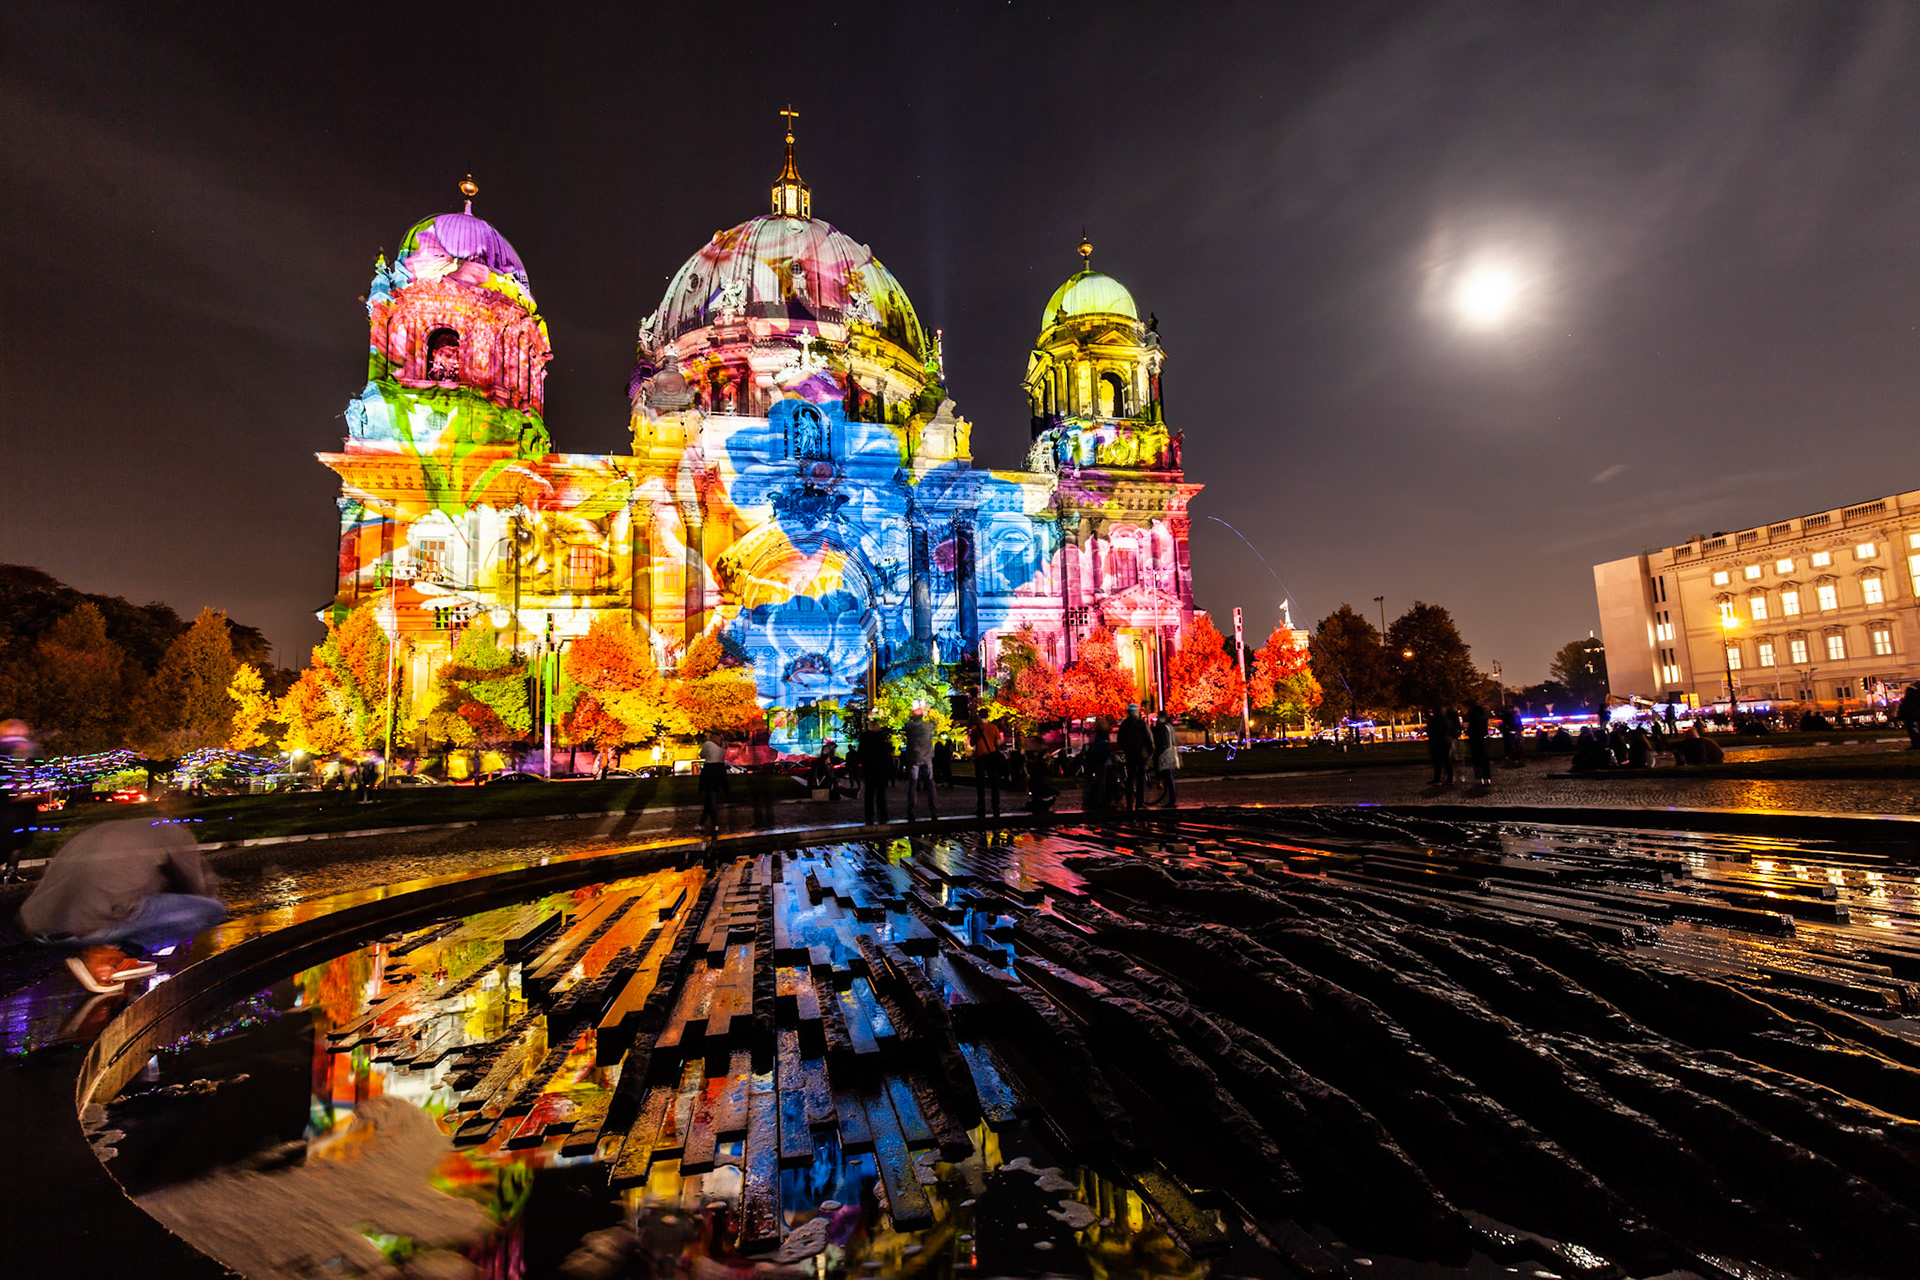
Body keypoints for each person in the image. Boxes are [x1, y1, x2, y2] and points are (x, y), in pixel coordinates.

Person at [19, 791, 227, 994]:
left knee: (124, 900)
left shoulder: (110, 830)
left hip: (41, 924)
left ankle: (118, 954)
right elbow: (195, 888)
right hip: (88, 925)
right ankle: (108, 958)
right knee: (211, 910)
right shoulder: (172, 831)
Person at [1116, 703, 1153, 812]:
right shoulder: (1141, 724)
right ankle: (1140, 802)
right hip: (1142, 755)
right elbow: (1149, 738)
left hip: (1130, 755)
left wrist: (1125, 749)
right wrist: (1150, 751)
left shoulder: (1125, 724)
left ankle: (1130, 802)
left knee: (1130, 779)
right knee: (1141, 779)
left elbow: (1120, 739)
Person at [902, 706, 937, 821]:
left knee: (913, 783)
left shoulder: (909, 726)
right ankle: (933, 810)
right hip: (927, 757)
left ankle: (911, 810)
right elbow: (936, 721)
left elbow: (904, 722)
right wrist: (929, 711)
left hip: (914, 757)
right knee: (930, 783)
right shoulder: (928, 726)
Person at [968, 714, 1004, 818]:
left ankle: (981, 807)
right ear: (988, 717)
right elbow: (998, 742)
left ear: (979, 717)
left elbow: (972, 743)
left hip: (980, 757)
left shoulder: (975, 729)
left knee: (980, 784)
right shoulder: (994, 728)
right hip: (991, 756)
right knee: (994, 783)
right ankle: (995, 806)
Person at [697, 733, 728, 832]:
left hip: (710, 772)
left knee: (711, 798)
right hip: (720, 771)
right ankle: (702, 822)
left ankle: (715, 823)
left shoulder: (708, 744)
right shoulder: (724, 745)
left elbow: (702, 755)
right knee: (709, 799)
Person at [1082, 722, 1113, 811]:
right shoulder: (1103, 736)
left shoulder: (1092, 735)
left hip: (1091, 760)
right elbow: (1105, 748)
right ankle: (1101, 800)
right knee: (1101, 780)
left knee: (1088, 781)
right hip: (1101, 760)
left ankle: (1086, 800)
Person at [1151, 710, 1179, 808]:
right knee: (1169, 776)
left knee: (1168, 776)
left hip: (1165, 754)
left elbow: (1163, 743)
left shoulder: (1162, 728)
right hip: (1171, 752)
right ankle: (1171, 799)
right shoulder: (1169, 727)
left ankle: (1171, 800)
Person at [1465, 702, 1493, 786]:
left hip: (1475, 741)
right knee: (1484, 759)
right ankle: (1487, 777)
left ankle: (1480, 778)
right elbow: (1485, 731)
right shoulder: (1484, 718)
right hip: (1482, 741)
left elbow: (1470, 731)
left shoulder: (1473, 719)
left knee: (1477, 760)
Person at [1425, 708, 1451, 786]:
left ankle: (1437, 778)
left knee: (1437, 762)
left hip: (1436, 742)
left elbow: (1430, 730)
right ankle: (1449, 778)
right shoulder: (1445, 721)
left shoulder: (1433, 721)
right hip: (1444, 742)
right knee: (1446, 761)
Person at [1898, 683, 1920, 750]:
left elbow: (1908, 707)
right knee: (1913, 731)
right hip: (1912, 716)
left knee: (1913, 731)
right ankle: (1916, 744)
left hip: (1912, 716)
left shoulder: (1912, 698)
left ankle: (1916, 744)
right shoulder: (1913, 697)